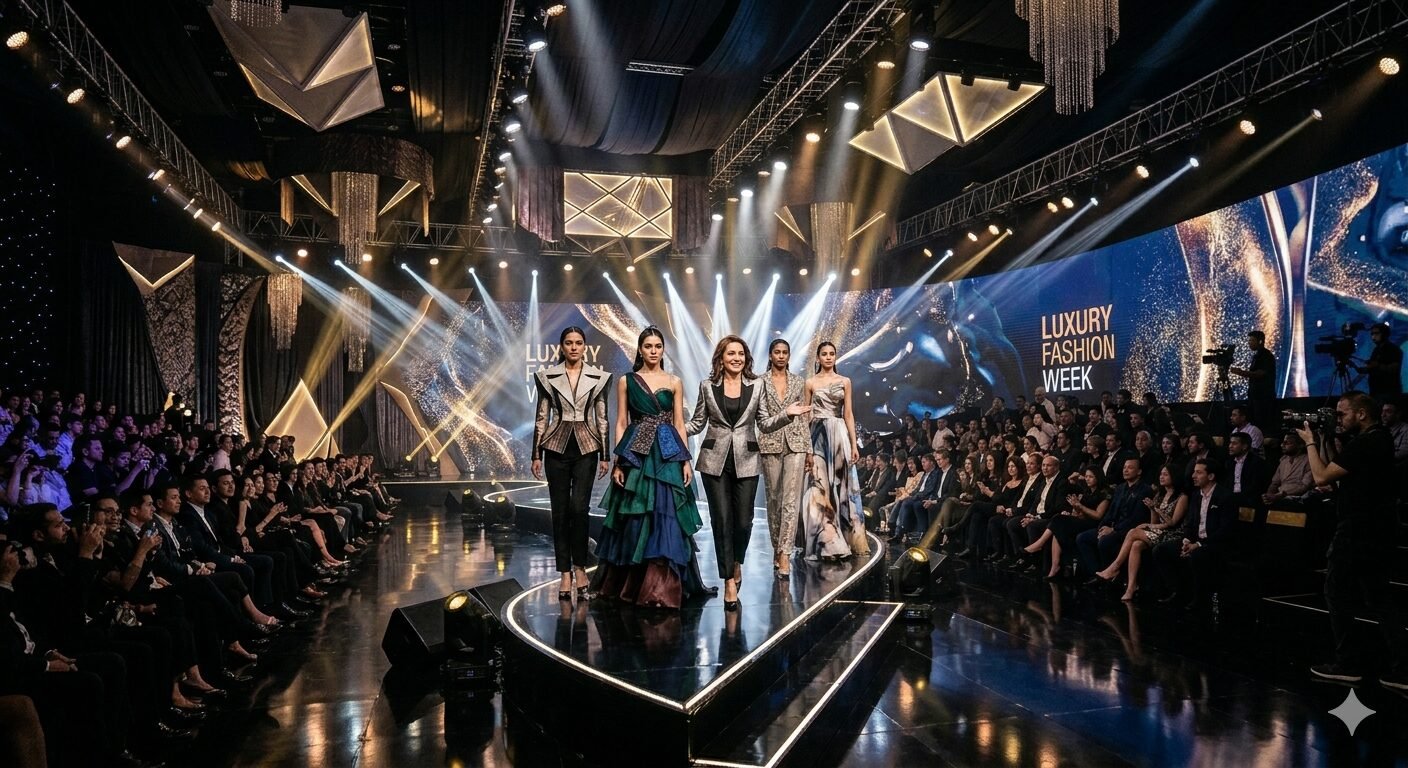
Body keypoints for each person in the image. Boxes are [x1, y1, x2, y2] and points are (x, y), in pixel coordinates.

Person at [592, 327, 714, 609]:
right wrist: (619, 462)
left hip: (667, 451)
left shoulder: (674, 381)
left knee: (666, 511)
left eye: (658, 346)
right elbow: (621, 422)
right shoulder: (627, 380)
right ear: (640, 349)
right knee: (636, 512)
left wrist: (685, 460)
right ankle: (636, 583)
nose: (654, 351)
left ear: (663, 349)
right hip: (637, 452)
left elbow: (679, 424)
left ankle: (662, 586)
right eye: (648, 346)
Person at [1296, 392, 1406, 688]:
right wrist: (1325, 438)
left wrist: (1309, 441)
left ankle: (1347, 662)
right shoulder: (1379, 439)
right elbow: (1339, 471)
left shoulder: (1366, 443)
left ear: (1361, 414)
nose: (1339, 419)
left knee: (1337, 591)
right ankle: (1401, 668)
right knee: (1378, 597)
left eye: (1342, 413)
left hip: (1358, 530)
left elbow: (1321, 476)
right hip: (1378, 529)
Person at [687, 336, 804, 608]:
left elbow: (764, 423)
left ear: (746, 358)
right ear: (721, 357)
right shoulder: (707, 386)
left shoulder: (756, 385)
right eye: (731, 353)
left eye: (741, 353)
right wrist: (674, 427)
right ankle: (728, 580)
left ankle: (736, 561)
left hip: (748, 460)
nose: (736, 358)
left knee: (743, 522)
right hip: (714, 461)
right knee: (721, 521)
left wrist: (787, 414)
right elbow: (697, 423)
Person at [530, 327, 612, 601]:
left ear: (584, 347)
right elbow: (541, 417)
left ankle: (580, 568)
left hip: (587, 447)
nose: (574, 347)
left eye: (578, 342)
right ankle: (565, 572)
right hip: (555, 447)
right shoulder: (547, 377)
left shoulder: (599, 377)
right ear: (562, 346)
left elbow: (602, 417)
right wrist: (535, 454)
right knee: (560, 512)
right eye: (569, 343)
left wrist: (605, 454)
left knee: (579, 509)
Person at [801, 341, 866, 558]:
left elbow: (848, 414)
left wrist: (854, 443)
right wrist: (806, 447)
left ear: (835, 357)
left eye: (832, 354)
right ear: (818, 357)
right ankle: (825, 541)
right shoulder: (810, 382)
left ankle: (843, 537)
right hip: (817, 434)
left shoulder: (845, 381)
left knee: (841, 486)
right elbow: (806, 416)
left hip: (839, 435)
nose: (828, 357)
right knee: (818, 486)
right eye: (824, 354)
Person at [1094, 463, 1186, 601]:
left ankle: (1115, 567)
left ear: (1174, 476)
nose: (1161, 477)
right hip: (1158, 530)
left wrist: (1155, 513)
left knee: (1133, 532)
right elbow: (1154, 521)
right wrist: (1152, 510)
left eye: (1166, 474)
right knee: (1136, 544)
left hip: (1173, 533)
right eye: (1161, 474)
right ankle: (1131, 587)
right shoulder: (1159, 494)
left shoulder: (1182, 497)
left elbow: (1172, 523)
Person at [757, 340, 810, 579]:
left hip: (796, 444)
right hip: (770, 442)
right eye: (777, 352)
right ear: (770, 355)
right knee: (774, 500)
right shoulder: (760, 381)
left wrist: (809, 450)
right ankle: (777, 548)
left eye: (785, 352)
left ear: (789, 356)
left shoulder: (799, 381)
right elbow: (760, 417)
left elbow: (804, 418)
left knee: (791, 500)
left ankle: (785, 553)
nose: (781, 356)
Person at [1152, 458, 1235, 610]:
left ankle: (1200, 600)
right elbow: (1190, 524)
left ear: (1211, 476)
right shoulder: (1196, 495)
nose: (1193, 476)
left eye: (1198, 472)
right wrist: (1186, 541)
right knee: (1161, 550)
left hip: (1215, 543)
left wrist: (1198, 544)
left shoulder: (1225, 496)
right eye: (1194, 472)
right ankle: (1177, 591)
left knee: (1198, 555)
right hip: (1195, 540)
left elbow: (1225, 530)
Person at [1229, 330, 1277, 434]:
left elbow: (1260, 373)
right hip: (1255, 397)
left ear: (1260, 341)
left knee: (1261, 424)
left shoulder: (1266, 355)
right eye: (1249, 340)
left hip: (1263, 398)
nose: (1249, 343)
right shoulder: (1257, 356)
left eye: (1252, 340)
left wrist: (1241, 372)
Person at [1356, 323, 1402, 397]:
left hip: (1388, 392)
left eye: (1376, 333)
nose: (1373, 336)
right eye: (1372, 334)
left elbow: (1395, 368)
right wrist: (1364, 369)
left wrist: (1377, 365)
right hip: (1375, 391)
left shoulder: (1393, 349)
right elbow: (1373, 367)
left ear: (1385, 334)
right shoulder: (1376, 350)